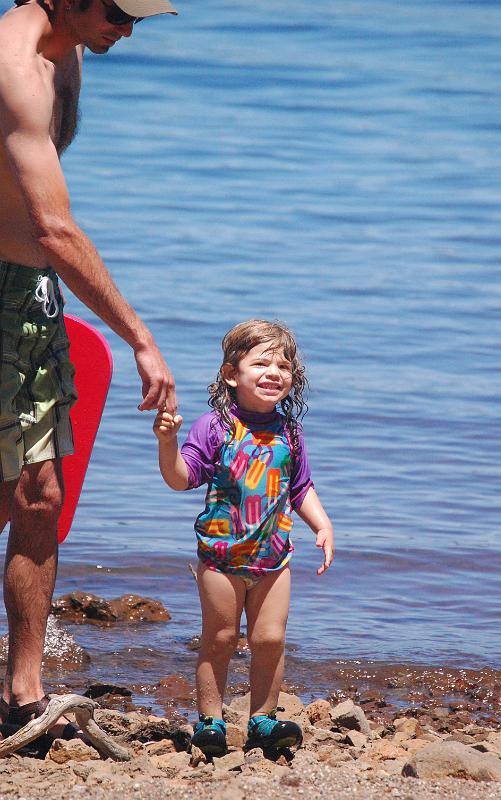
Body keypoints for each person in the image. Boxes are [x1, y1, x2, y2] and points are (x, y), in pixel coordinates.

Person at [0, 0, 177, 747]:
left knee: (39, 494)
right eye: (116, 10)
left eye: (140, 17)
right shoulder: (12, 68)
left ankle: (23, 691)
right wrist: (139, 336)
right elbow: (53, 226)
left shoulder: (69, 47)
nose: (128, 30)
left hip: (33, 298)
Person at [153, 319, 334, 756]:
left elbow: (300, 486)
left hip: (274, 557)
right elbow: (182, 479)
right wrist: (168, 442)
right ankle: (210, 721)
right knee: (220, 639)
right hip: (221, 557)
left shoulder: (289, 432)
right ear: (232, 375)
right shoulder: (215, 427)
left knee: (269, 639)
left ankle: (263, 720)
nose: (275, 372)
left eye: (284, 365)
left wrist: (323, 524)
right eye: (262, 363)